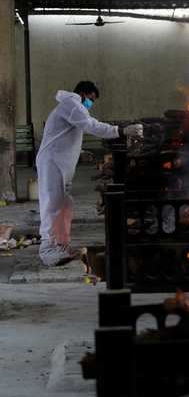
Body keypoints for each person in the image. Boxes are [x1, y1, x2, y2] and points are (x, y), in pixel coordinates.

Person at [36, 81, 142, 266]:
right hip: (52, 162)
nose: (90, 104)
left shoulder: (72, 107)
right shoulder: (72, 104)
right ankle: (47, 249)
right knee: (52, 205)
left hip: (60, 162)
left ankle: (61, 245)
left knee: (64, 205)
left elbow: (62, 134)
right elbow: (90, 125)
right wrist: (120, 130)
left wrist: (80, 151)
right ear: (83, 94)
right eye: (91, 99)